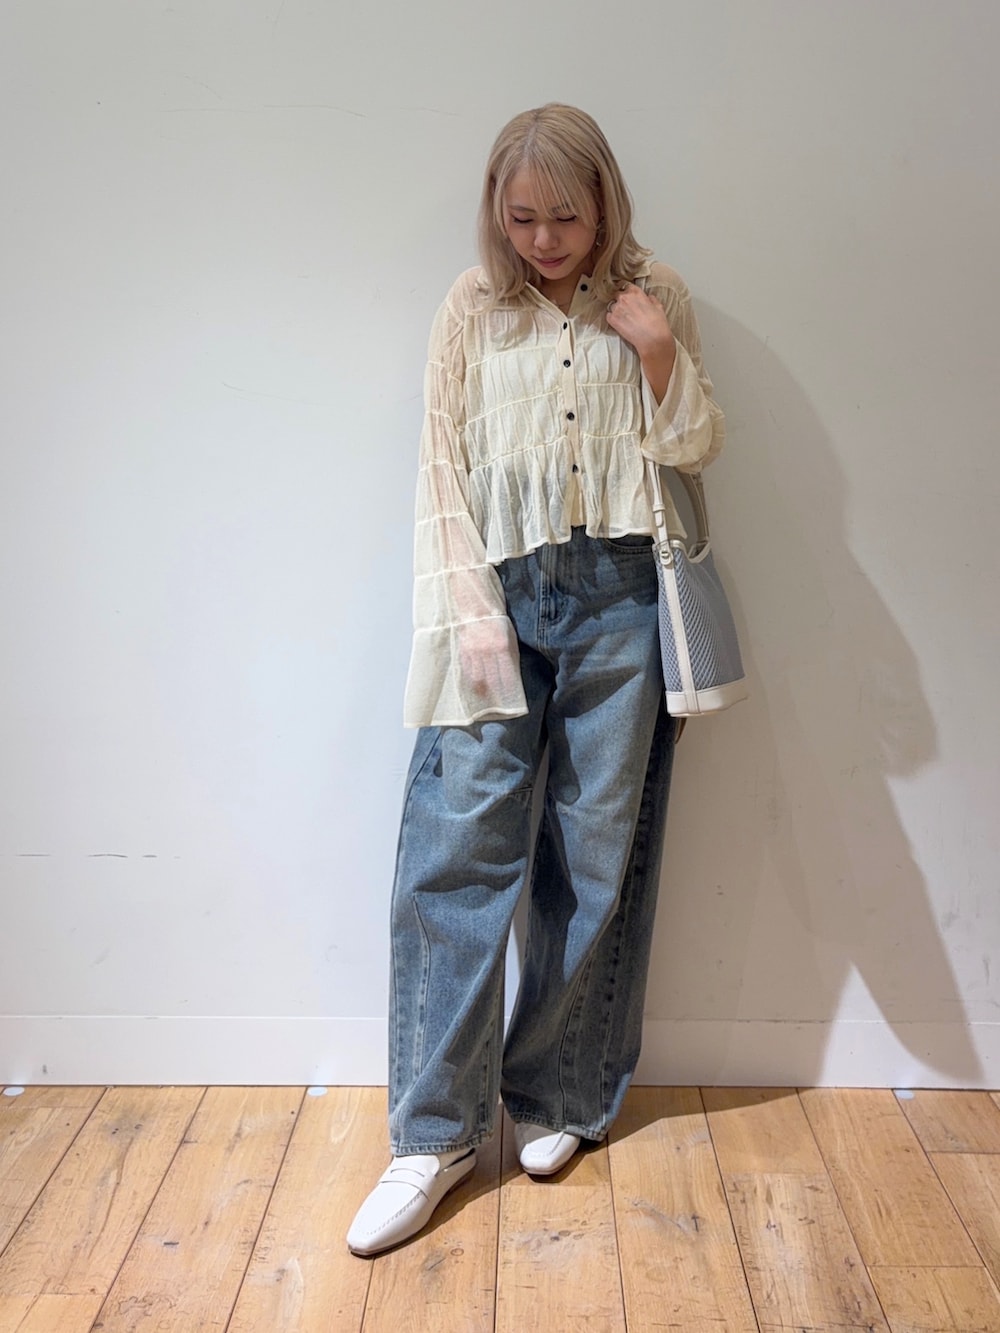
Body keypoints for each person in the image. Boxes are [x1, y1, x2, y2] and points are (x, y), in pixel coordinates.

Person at [347, 103, 724, 1256]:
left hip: (621, 594)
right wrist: (469, 610)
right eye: (522, 218)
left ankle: (558, 1092)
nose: (545, 239)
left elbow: (696, 448)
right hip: (497, 593)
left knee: (595, 853)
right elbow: (439, 464)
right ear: (495, 213)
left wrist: (654, 352)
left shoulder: (655, 293)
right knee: (456, 852)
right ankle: (433, 1134)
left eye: (566, 215)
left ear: (604, 202)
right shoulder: (472, 306)